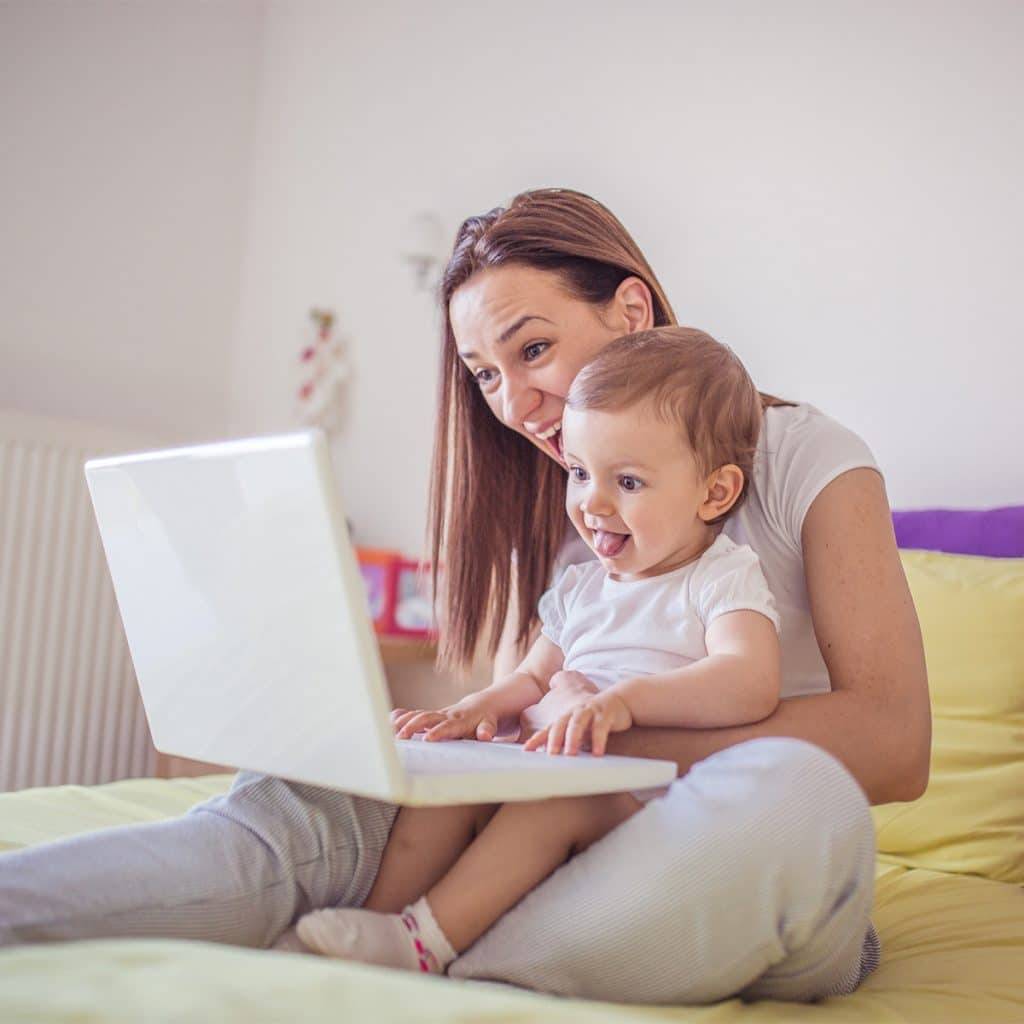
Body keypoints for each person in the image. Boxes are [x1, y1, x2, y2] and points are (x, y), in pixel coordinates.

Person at [0, 188, 930, 1006]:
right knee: (316, 797)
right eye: (486, 375)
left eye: (533, 350)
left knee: (800, 797)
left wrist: (602, 739)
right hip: (551, 842)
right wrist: (445, 739)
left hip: (717, 847)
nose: (516, 404)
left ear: (631, 310)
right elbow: (521, 720)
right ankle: (395, 934)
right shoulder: (574, 511)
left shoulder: (810, 457)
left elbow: (895, 746)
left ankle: (449, 957)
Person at [293, 328, 783, 973]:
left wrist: (625, 703)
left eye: (628, 482)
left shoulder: (719, 577)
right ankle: (375, 924)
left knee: (558, 802)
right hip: (568, 773)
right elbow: (531, 677)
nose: (593, 503)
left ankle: (422, 944)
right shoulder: (581, 586)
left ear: (713, 494)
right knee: (454, 775)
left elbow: (750, 678)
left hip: (655, 816)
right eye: (580, 474)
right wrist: (472, 710)